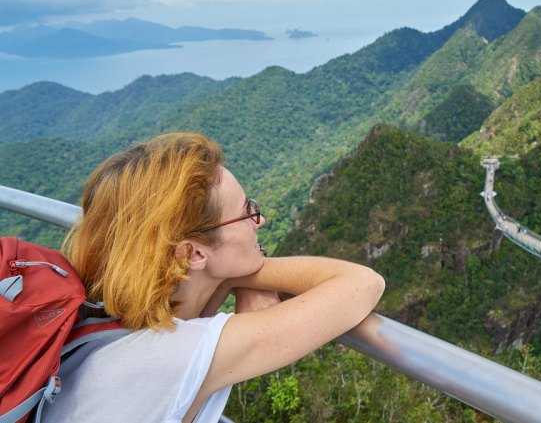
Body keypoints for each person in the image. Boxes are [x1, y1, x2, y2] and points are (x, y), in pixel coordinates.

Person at [40, 133, 385, 423]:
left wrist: (229, 274)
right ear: (192, 254)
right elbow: (363, 284)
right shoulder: (171, 355)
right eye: (246, 212)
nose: (259, 221)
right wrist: (251, 273)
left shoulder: (98, 313)